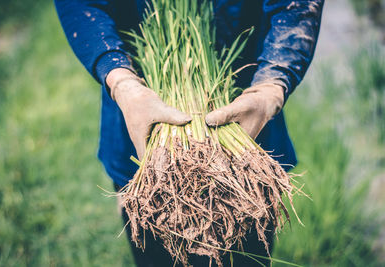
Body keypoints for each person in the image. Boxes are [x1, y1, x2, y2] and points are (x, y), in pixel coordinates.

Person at [55, 0, 324, 266]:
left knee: (247, 242)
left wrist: (271, 86)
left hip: (247, 110)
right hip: (138, 109)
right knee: (157, 244)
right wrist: (121, 81)